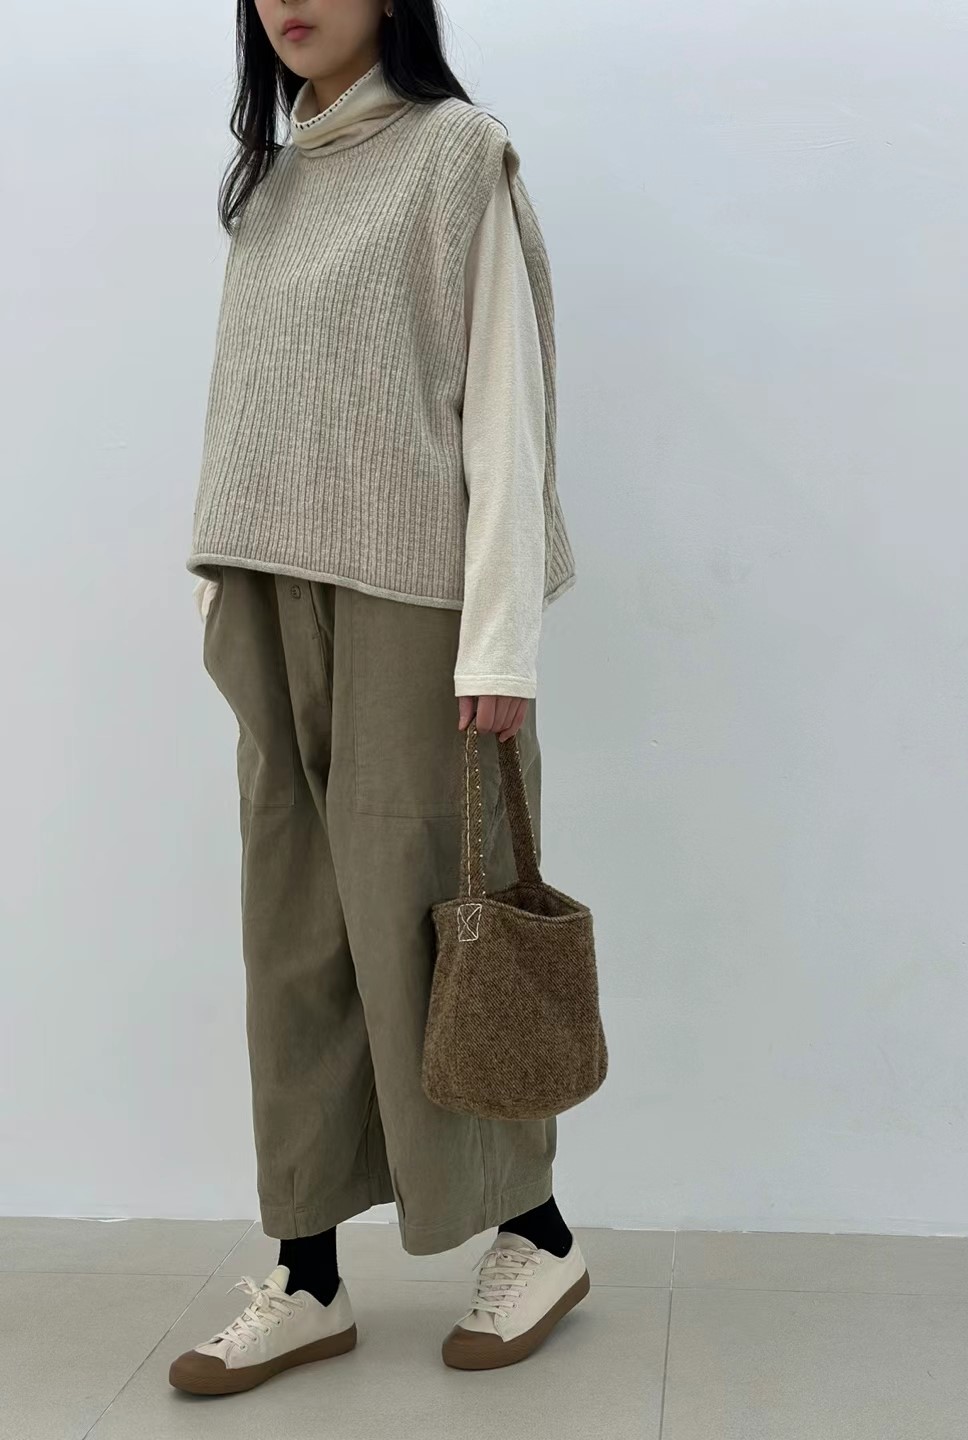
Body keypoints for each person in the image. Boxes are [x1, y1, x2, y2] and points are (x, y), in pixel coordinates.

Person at [168, 0, 583, 1397]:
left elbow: (504, 404)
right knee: (293, 936)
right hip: (269, 594)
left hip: (415, 602)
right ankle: (307, 1274)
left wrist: (499, 644)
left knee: (435, 930)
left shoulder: (458, 153)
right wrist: (219, 582)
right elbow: (255, 395)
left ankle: (537, 1234)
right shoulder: (274, 181)